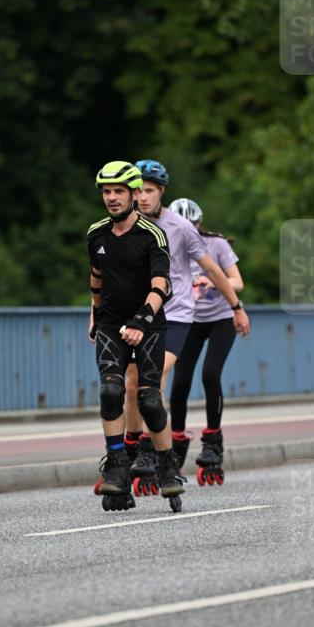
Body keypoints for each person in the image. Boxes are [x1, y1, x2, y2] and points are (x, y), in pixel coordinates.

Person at [124, 160, 250, 480]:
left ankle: (177, 449)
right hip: (145, 313)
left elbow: (216, 271)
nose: (141, 196)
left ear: (161, 192)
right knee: (139, 384)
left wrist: (236, 306)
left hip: (185, 314)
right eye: (137, 190)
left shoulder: (186, 231)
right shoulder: (126, 225)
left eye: (148, 190)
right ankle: (143, 449)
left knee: (192, 376)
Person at [87, 160, 185, 505]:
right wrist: (95, 315)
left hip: (149, 324)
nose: (111, 198)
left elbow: (162, 284)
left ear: (132, 194)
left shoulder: (151, 235)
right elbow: (96, 277)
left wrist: (142, 320)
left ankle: (167, 466)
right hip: (111, 324)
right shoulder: (96, 234)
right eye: (106, 192)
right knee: (111, 392)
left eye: (118, 192)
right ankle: (115, 468)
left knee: (149, 400)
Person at [168, 197, 247, 482]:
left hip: (221, 318)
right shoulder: (167, 246)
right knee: (180, 381)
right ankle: (176, 441)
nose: (190, 232)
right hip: (187, 319)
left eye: (195, 226)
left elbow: (237, 280)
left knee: (210, 374)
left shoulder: (216, 244)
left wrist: (213, 282)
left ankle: (213, 443)